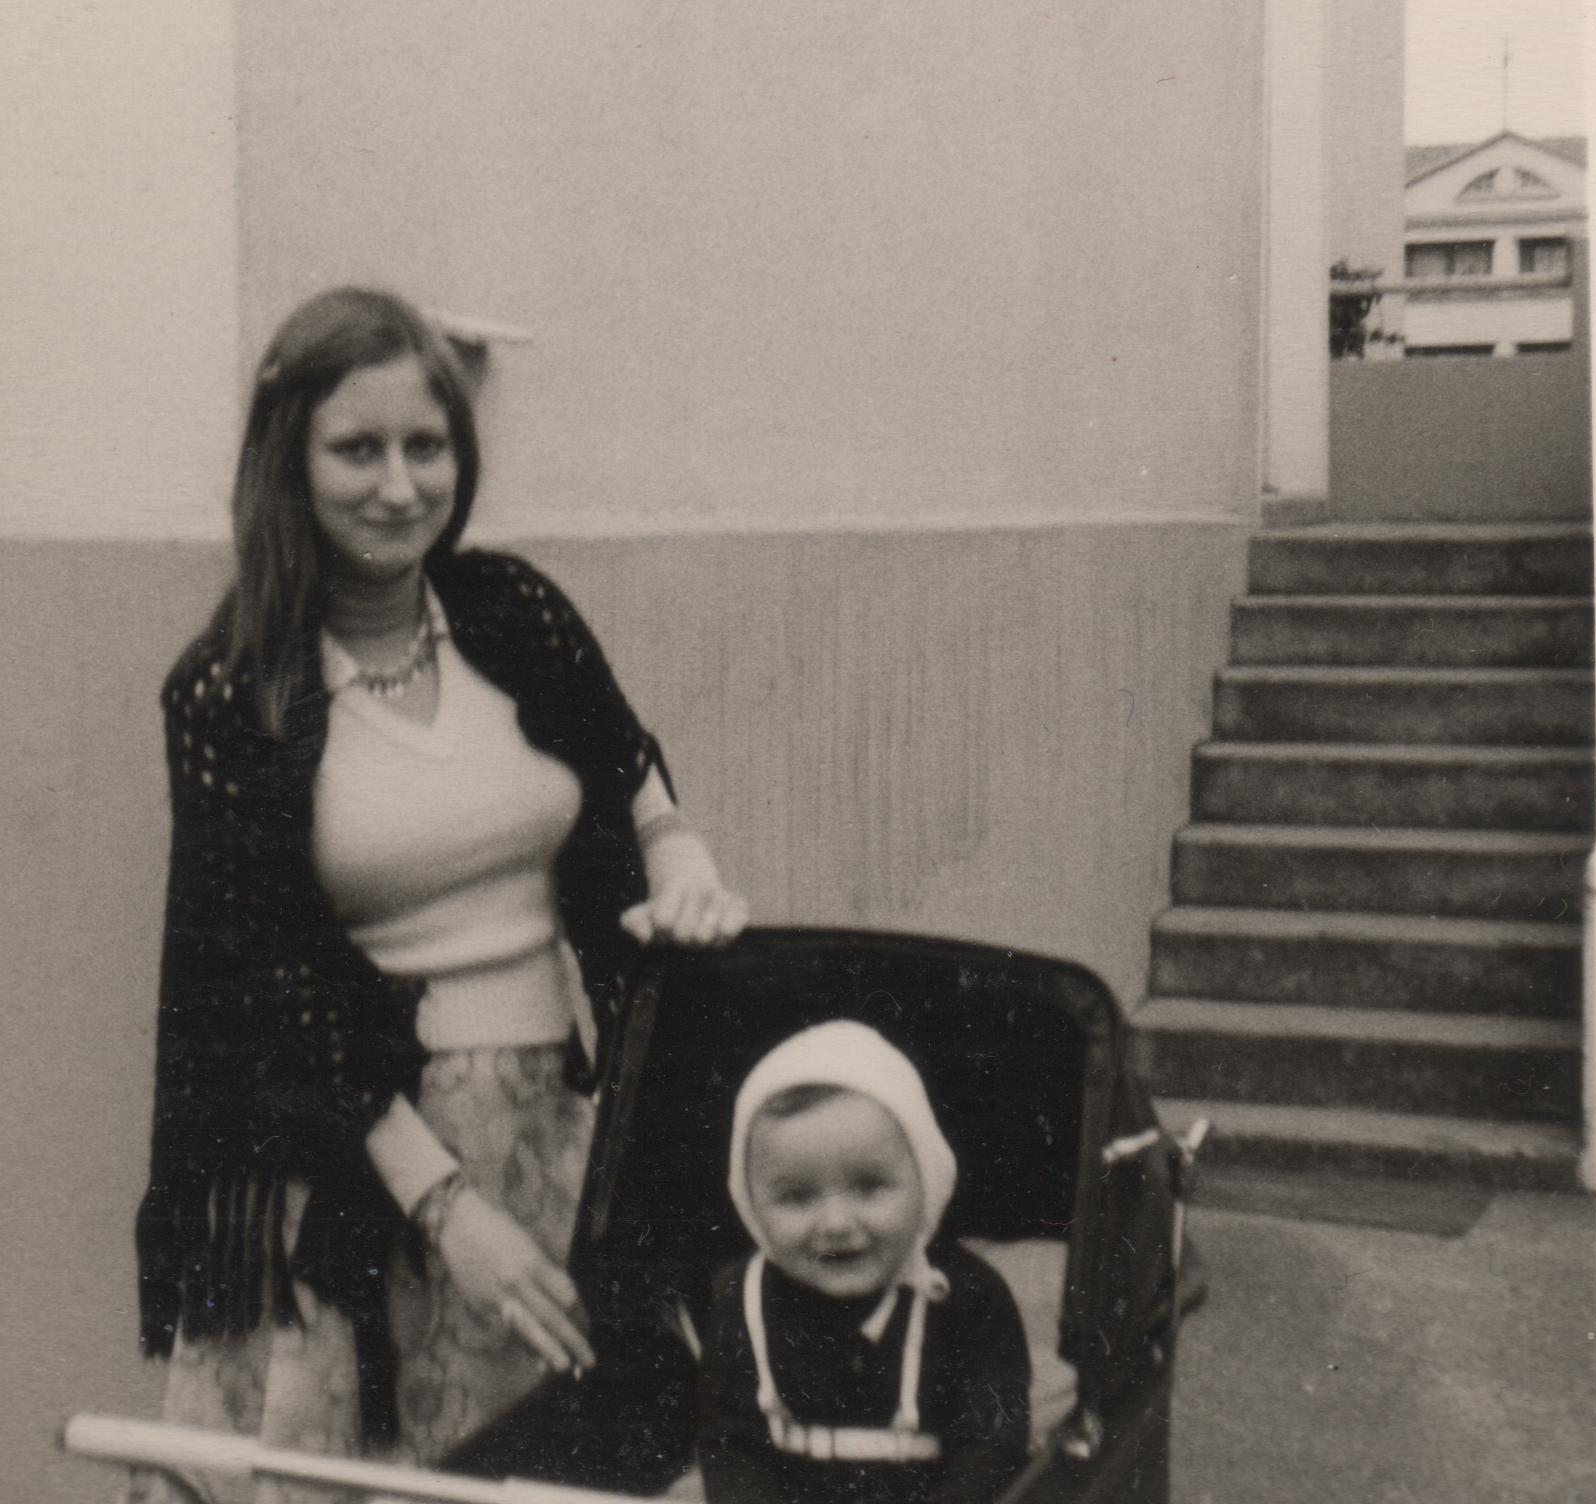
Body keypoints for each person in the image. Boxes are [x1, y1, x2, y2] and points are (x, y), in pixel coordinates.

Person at [126, 287, 747, 1504]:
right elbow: (273, 986)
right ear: (288, 461)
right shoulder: (230, 691)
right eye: (357, 449)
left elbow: (634, 781)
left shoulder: (514, 612)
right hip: (355, 1168)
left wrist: (683, 869)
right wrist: (449, 1210)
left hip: (548, 1137)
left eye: (428, 446)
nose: (401, 486)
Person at [698, 1020, 1031, 1504]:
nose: (836, 1223)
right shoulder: (742, 1302)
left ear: (924, 1180)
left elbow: (992, 1449)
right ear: (751, 1205)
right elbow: (731, 1447)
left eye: (870, 1186)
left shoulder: (969, 1299)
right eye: (796, 1197)